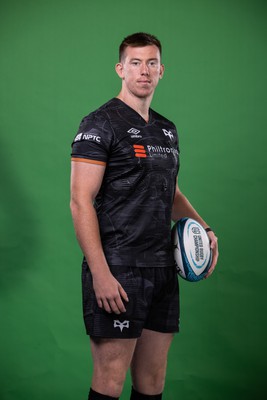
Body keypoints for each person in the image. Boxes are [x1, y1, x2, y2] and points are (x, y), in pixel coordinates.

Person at [70, 32, 218, 400]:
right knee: (109, 378)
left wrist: (205, 229)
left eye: (152, 63)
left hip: (163, 268)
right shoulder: (99, 123)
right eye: (135, 63)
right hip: (119, 268)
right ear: (121, 69)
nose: (144, 70)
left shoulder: (167, 129)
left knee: (152, 381)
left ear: (161, 71)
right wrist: (100, 273)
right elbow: (79, 202)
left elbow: (172, 195)